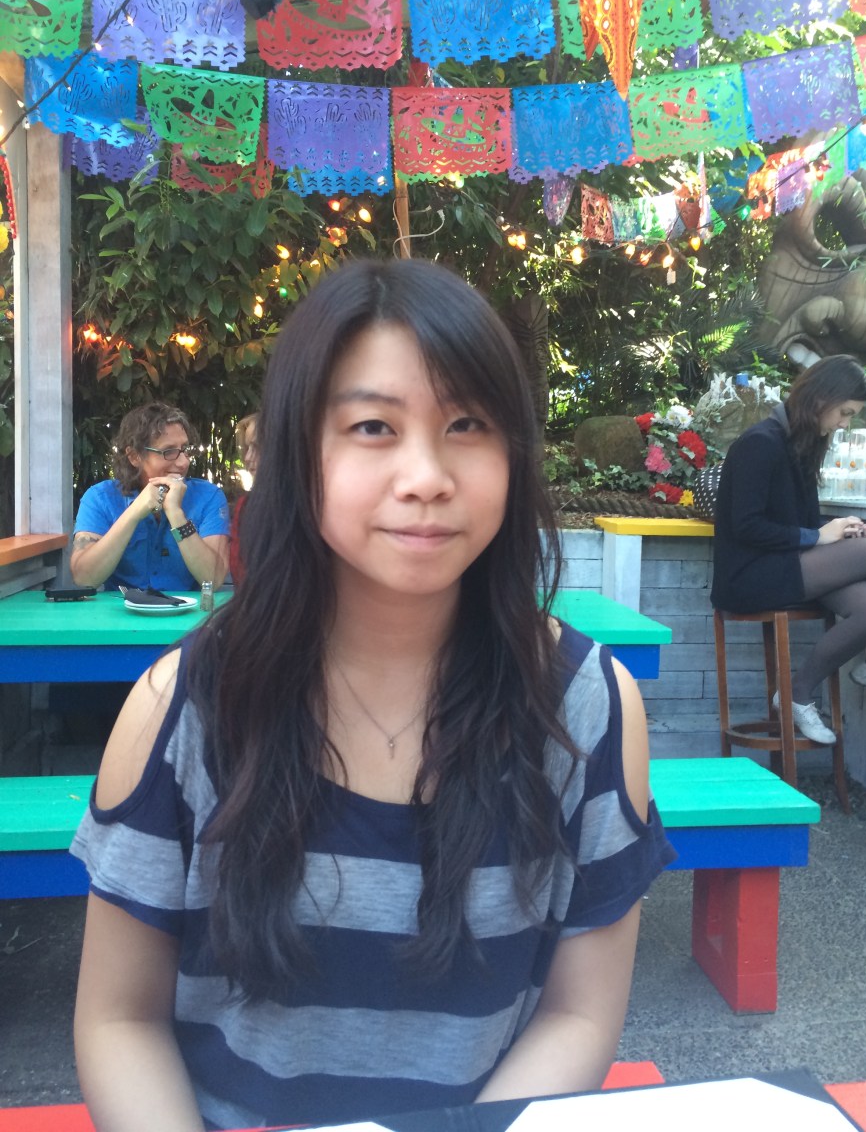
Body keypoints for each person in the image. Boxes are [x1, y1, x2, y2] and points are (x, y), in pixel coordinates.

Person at [71, 259, 675, 1132]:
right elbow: (119, 1018)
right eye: (372, 426)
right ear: (297, 454)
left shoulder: (583, 706)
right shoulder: (184, 704)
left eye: (466, 423)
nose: (426, 475)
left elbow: (577, 1015)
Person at [711, 354, 866, 745]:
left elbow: (805, 521)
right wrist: (817, 538)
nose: (845, 424)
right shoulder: (759, 443)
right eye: (844, 413)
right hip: (750, 575)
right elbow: (747, 527)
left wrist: (838, 532)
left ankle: (797, 693)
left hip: (790, 565)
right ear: (820, 399)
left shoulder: (802, 444)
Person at [70, 401, 230, 592]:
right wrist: (134, 512)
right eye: (169, 452)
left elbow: (213, 579)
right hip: (121, 608)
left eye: (185, 450)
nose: (183, 462)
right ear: (134, 456)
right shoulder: (100, 497)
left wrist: (176, 514)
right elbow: (84, 578)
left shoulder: (208, 497)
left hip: (188, 608)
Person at [229, 411, 259, 586]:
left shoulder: (314, 505)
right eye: (247, 448)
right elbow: (241, 575)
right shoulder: (246, 506)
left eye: (257, 448)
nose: (247, 458)